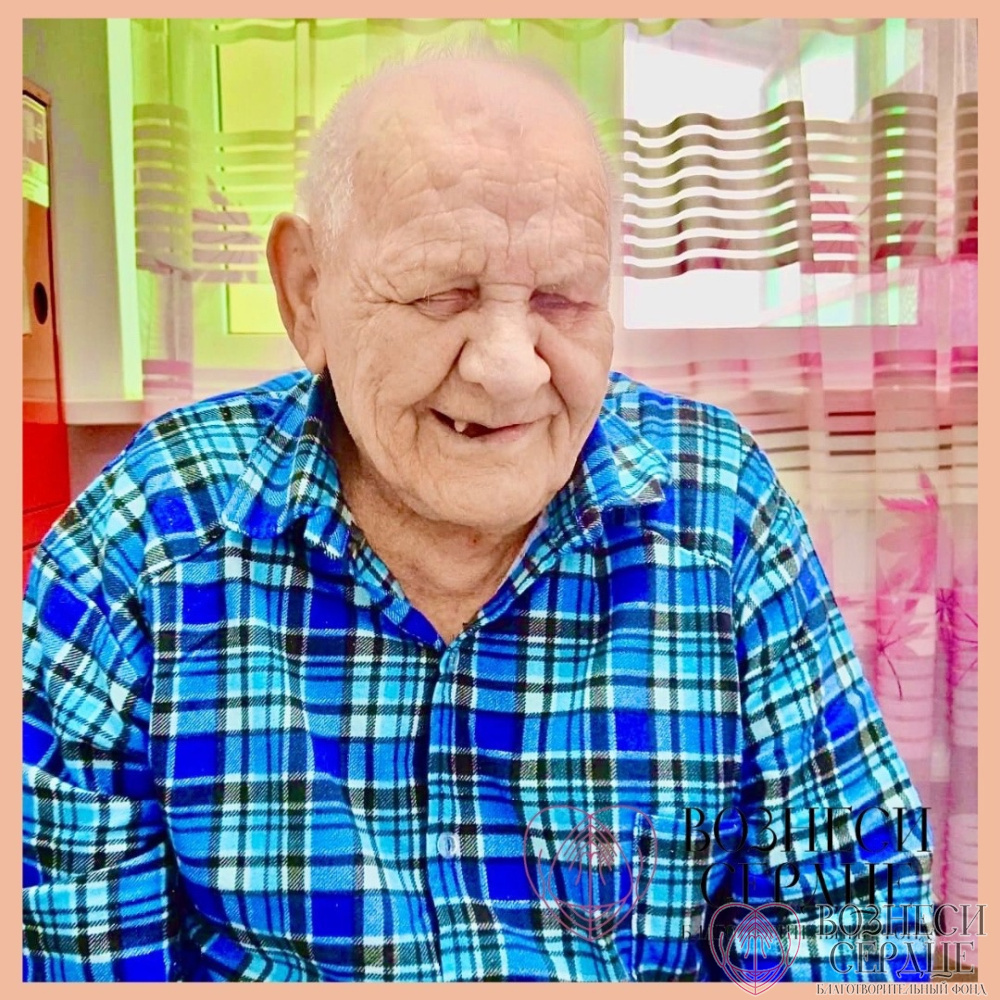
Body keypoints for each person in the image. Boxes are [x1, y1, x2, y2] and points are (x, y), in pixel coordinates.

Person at [23, 42, 933, 982]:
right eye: (438, 293)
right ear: (308, 294)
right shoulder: (143, 544)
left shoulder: (721, 513)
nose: (508, 368)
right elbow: (77, 957)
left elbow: (864, 919)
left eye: (562, 297)